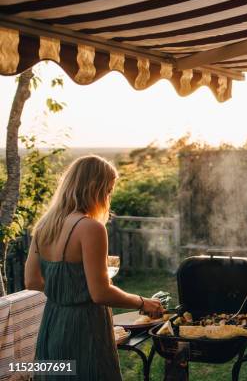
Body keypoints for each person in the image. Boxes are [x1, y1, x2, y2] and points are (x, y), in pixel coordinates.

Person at [24, 155, 163, 380]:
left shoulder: (44, 226)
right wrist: (143, 302)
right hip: (84, 328)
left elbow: (32, 281)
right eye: (107, 191)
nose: (108, 198)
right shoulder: (90, 228)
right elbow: (100, 293)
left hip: (53, 322)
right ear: (94, 188)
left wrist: (66, 291)